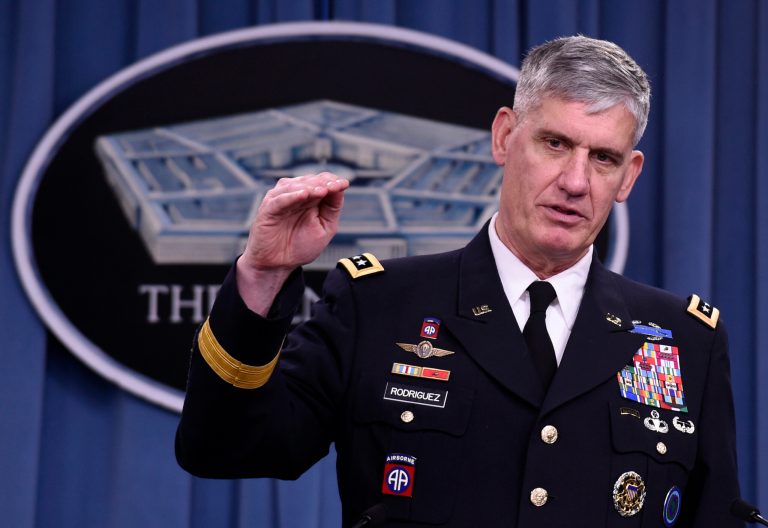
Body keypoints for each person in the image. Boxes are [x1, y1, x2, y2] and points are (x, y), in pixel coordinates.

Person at [176, 36, 742, 527]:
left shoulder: (684, 341)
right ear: (504, 137)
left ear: (629, 176)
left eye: (602, 157)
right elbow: (223, 448)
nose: (575, 181)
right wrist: (262, 273)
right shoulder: (378, 306)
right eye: (555, 144)